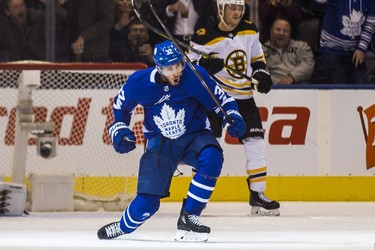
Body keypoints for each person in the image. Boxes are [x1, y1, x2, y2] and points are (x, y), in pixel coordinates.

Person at [97, 40, 246, 242]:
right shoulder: (139, 83)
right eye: (169, 68)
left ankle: (189, 216)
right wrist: (120, 128)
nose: (175, 72)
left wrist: (233, 115)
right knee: (147, 204)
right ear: (158, 67)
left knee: (212, 157)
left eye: (178, 65)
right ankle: (123, 226)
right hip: (160, 142)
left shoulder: (196, 76)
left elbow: (222, 100)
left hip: (195, 135)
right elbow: (121, 107)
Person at [187, 0, 280, 216]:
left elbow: (258, 60)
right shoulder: (203, 35)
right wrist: (205, 67)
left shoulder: (250, 30)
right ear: (221, 9)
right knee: (208, 147)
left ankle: (257, 193)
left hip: (243, 97)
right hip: (214, 97)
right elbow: (189, 69)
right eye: (232, 8)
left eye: (240, 8)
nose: (237, 12)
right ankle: (195, 198)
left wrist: (262, 75)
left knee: (256, 142)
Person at [316, 0, 375, 84]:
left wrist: (361, 48)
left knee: (360, 88)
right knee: (339, 88)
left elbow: (370, 25)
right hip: (332, 48)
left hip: (355, 51)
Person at [0, 0, 66, 61]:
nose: (21, 10)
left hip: (40, 66)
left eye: (22, 5)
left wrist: (47, 2)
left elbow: (62, 16)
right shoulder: (3, 26)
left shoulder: (35, 16)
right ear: (7, 12)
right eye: (16, 7)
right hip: (13, 69)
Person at [263, 17, 315, 84]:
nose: (281, 33)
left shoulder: (302, 46)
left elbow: (308, 65)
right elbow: (258, 72)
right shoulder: (260, 51)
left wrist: (291, 77)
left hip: (299, 88)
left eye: (285, 31)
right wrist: (277, 82)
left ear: (290, 33)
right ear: (271, 31)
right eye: (278, 30)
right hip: (272, 89)